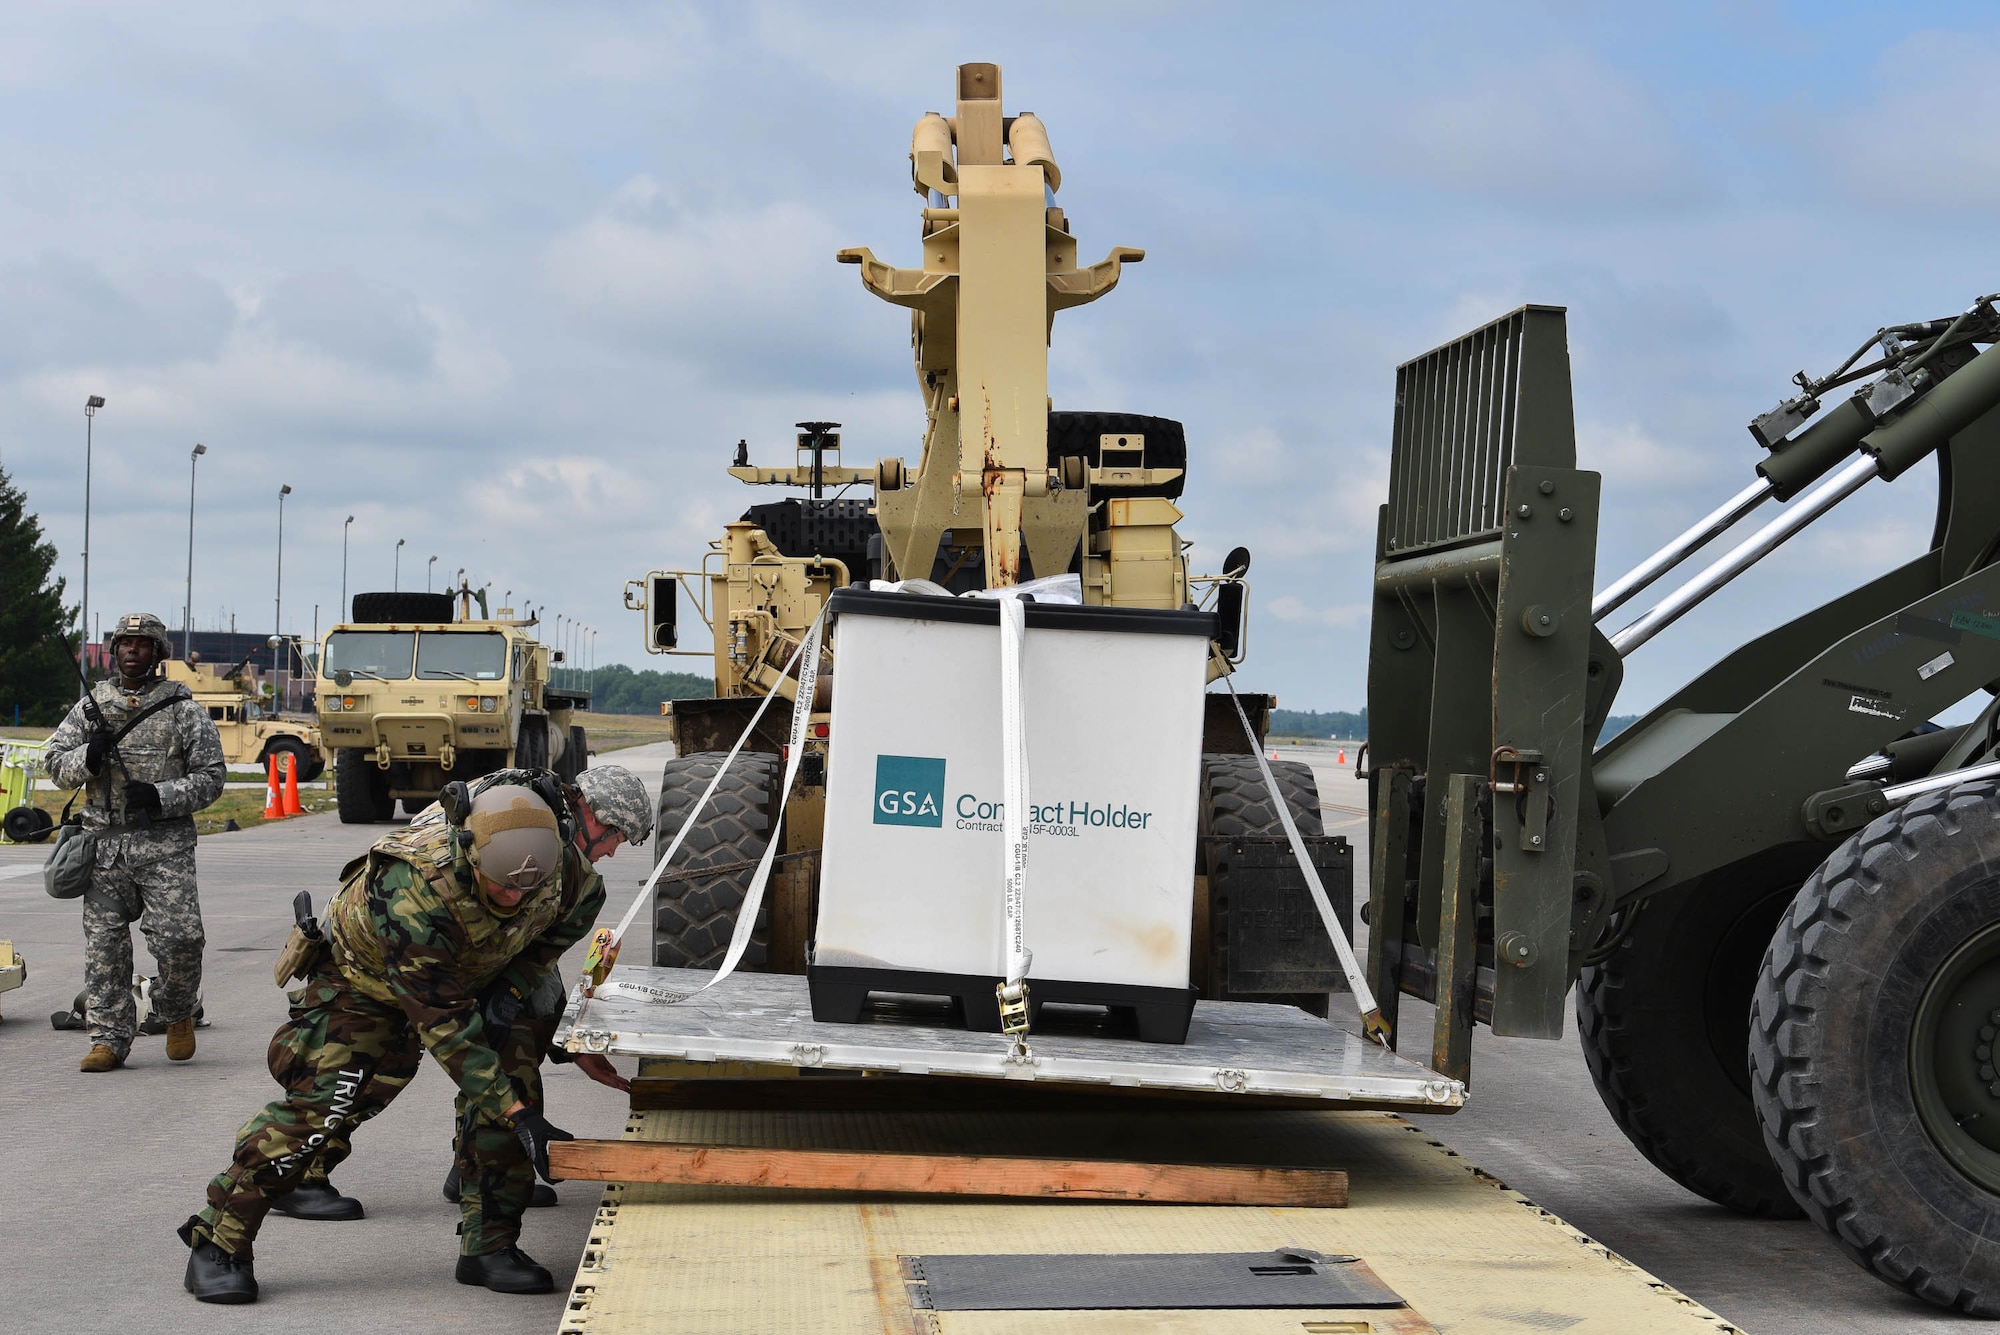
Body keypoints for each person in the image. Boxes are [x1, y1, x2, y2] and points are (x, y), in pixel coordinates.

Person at [179, 784, 607, 1303]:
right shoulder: (414, 891)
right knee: (327, 1103)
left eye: (526, 891)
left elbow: (556, 934)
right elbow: (445, 1027)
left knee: (515, 1081)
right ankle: (218, 1241)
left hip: (473, 974)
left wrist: (512, 988)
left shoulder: (568, 877)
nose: (514, 899)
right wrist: (517, 1113)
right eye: (501, 889)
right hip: (366, 981)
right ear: (470, 855)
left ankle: (489, 1246)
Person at [270, 764, 652, 1223]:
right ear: (589, 813)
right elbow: (427, 911)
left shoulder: (546, 838)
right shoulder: (518, 823)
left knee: (514, 1035)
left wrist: (539, 1018)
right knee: (373, 1065)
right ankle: (294, 1174)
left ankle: (481, 1169)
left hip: (464, 949)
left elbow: (535, 950)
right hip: (381, 952)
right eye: (614, 836)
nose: (611, 852)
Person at [43, 612, 225, 1072]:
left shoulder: (183, 710)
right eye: (125, 642)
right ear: (113, 650)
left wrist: (162, 795)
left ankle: (176, 1012)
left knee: (182, 941)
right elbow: (52, 765)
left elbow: (212, 777)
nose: (132, 651)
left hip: (166, 849)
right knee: (104, 950)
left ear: (158, 653)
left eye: (143, 644)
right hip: (105, 849)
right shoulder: (90, 707)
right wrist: (89, 755)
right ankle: (108, 1039)